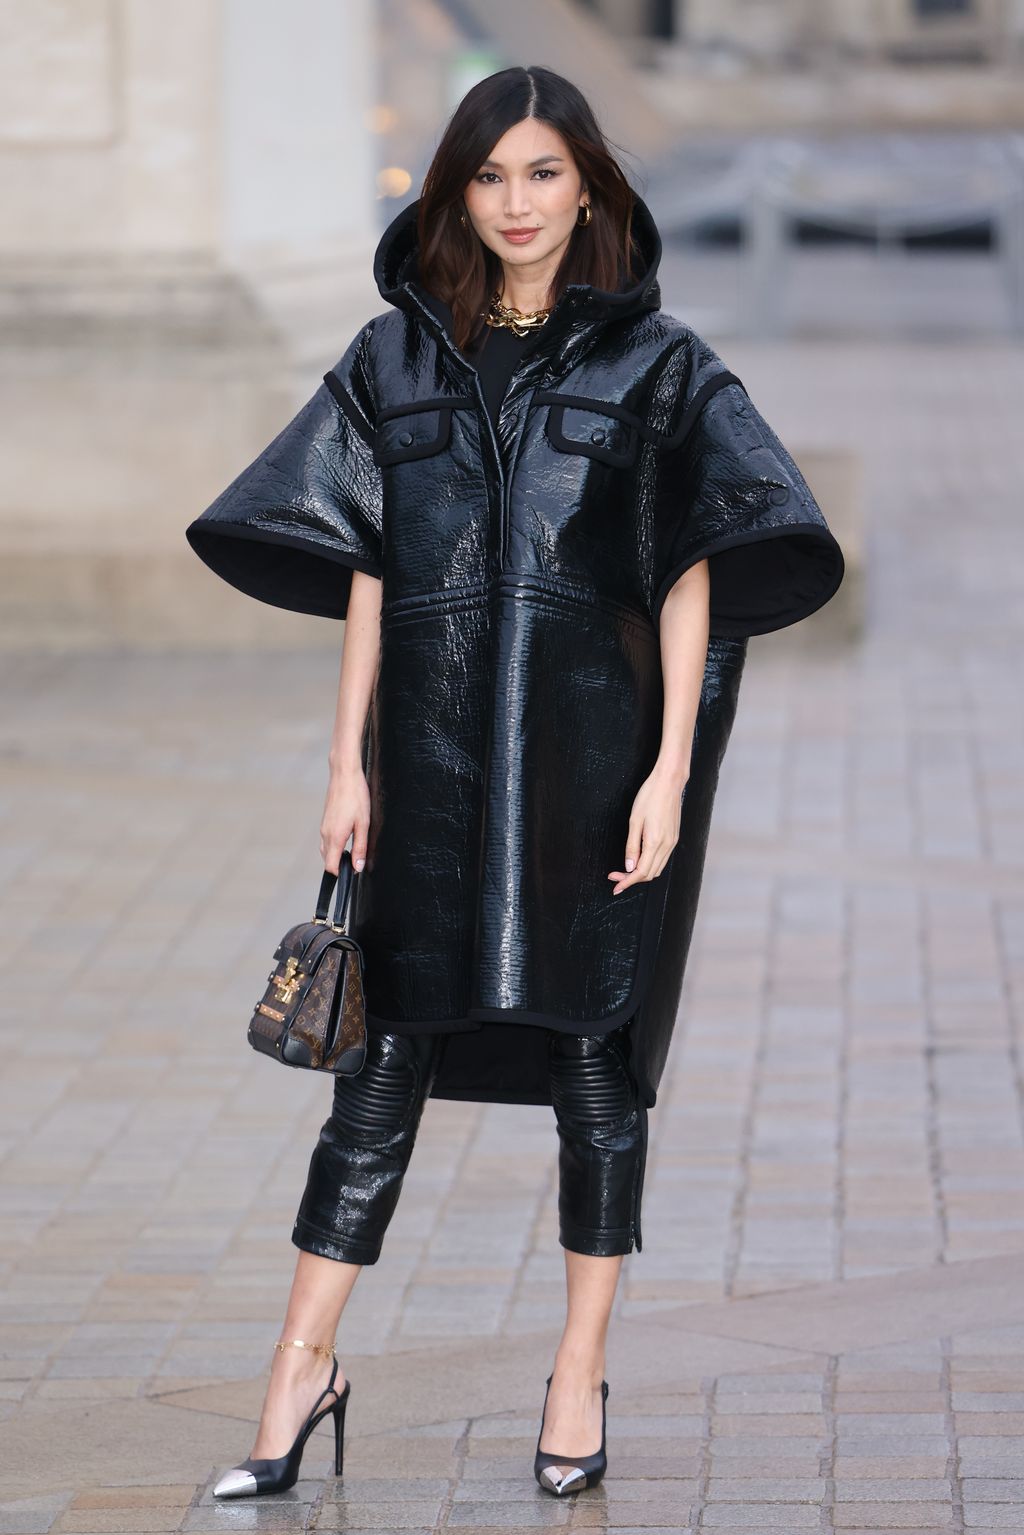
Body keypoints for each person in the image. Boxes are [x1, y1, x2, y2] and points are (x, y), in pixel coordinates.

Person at [186, 65, 845, 1501]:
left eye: (544, 173)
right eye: (490, 177)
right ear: (454, 193)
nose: (517, 203)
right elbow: (366, 569)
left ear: (592, 187)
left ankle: (575, 1373)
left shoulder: (657, 366)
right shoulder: (394, 359)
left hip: (590, 764)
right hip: (424, 761)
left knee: (596, 1073)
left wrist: (669, 766)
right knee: (376, 1071)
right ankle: (299, 1372)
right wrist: (346, 761)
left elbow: (690, 569)